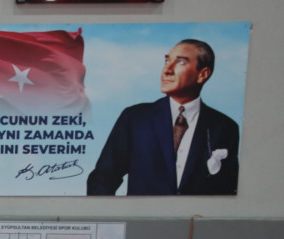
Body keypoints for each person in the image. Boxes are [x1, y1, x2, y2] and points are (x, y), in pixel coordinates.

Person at [87, 39, 239, 196]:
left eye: (180, 62)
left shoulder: (226, 127)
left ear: (202, 74)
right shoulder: (135, 118)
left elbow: (229, 189)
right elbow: (103, 178)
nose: (167, 69)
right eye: (167, 61)